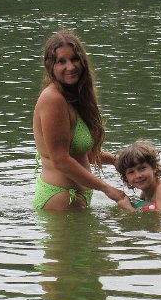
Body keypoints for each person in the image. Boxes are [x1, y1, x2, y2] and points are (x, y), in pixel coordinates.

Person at [33, 30, 131, 211]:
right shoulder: (53, 99)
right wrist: (107, 189)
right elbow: (60, 160)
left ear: (83, 61)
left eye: (74, 59)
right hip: (61, 198)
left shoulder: (74, 97)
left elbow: (82, 153)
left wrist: (117, 160)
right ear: (50, 65)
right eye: (61, 61)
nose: (70, 67)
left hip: (75, 198)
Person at [115, 141, 161, 211]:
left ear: (154, 167)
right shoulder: (144, 194)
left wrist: (129, 208)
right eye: (131, 172)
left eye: (142, 168)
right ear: (126, 178)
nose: (138, 175)